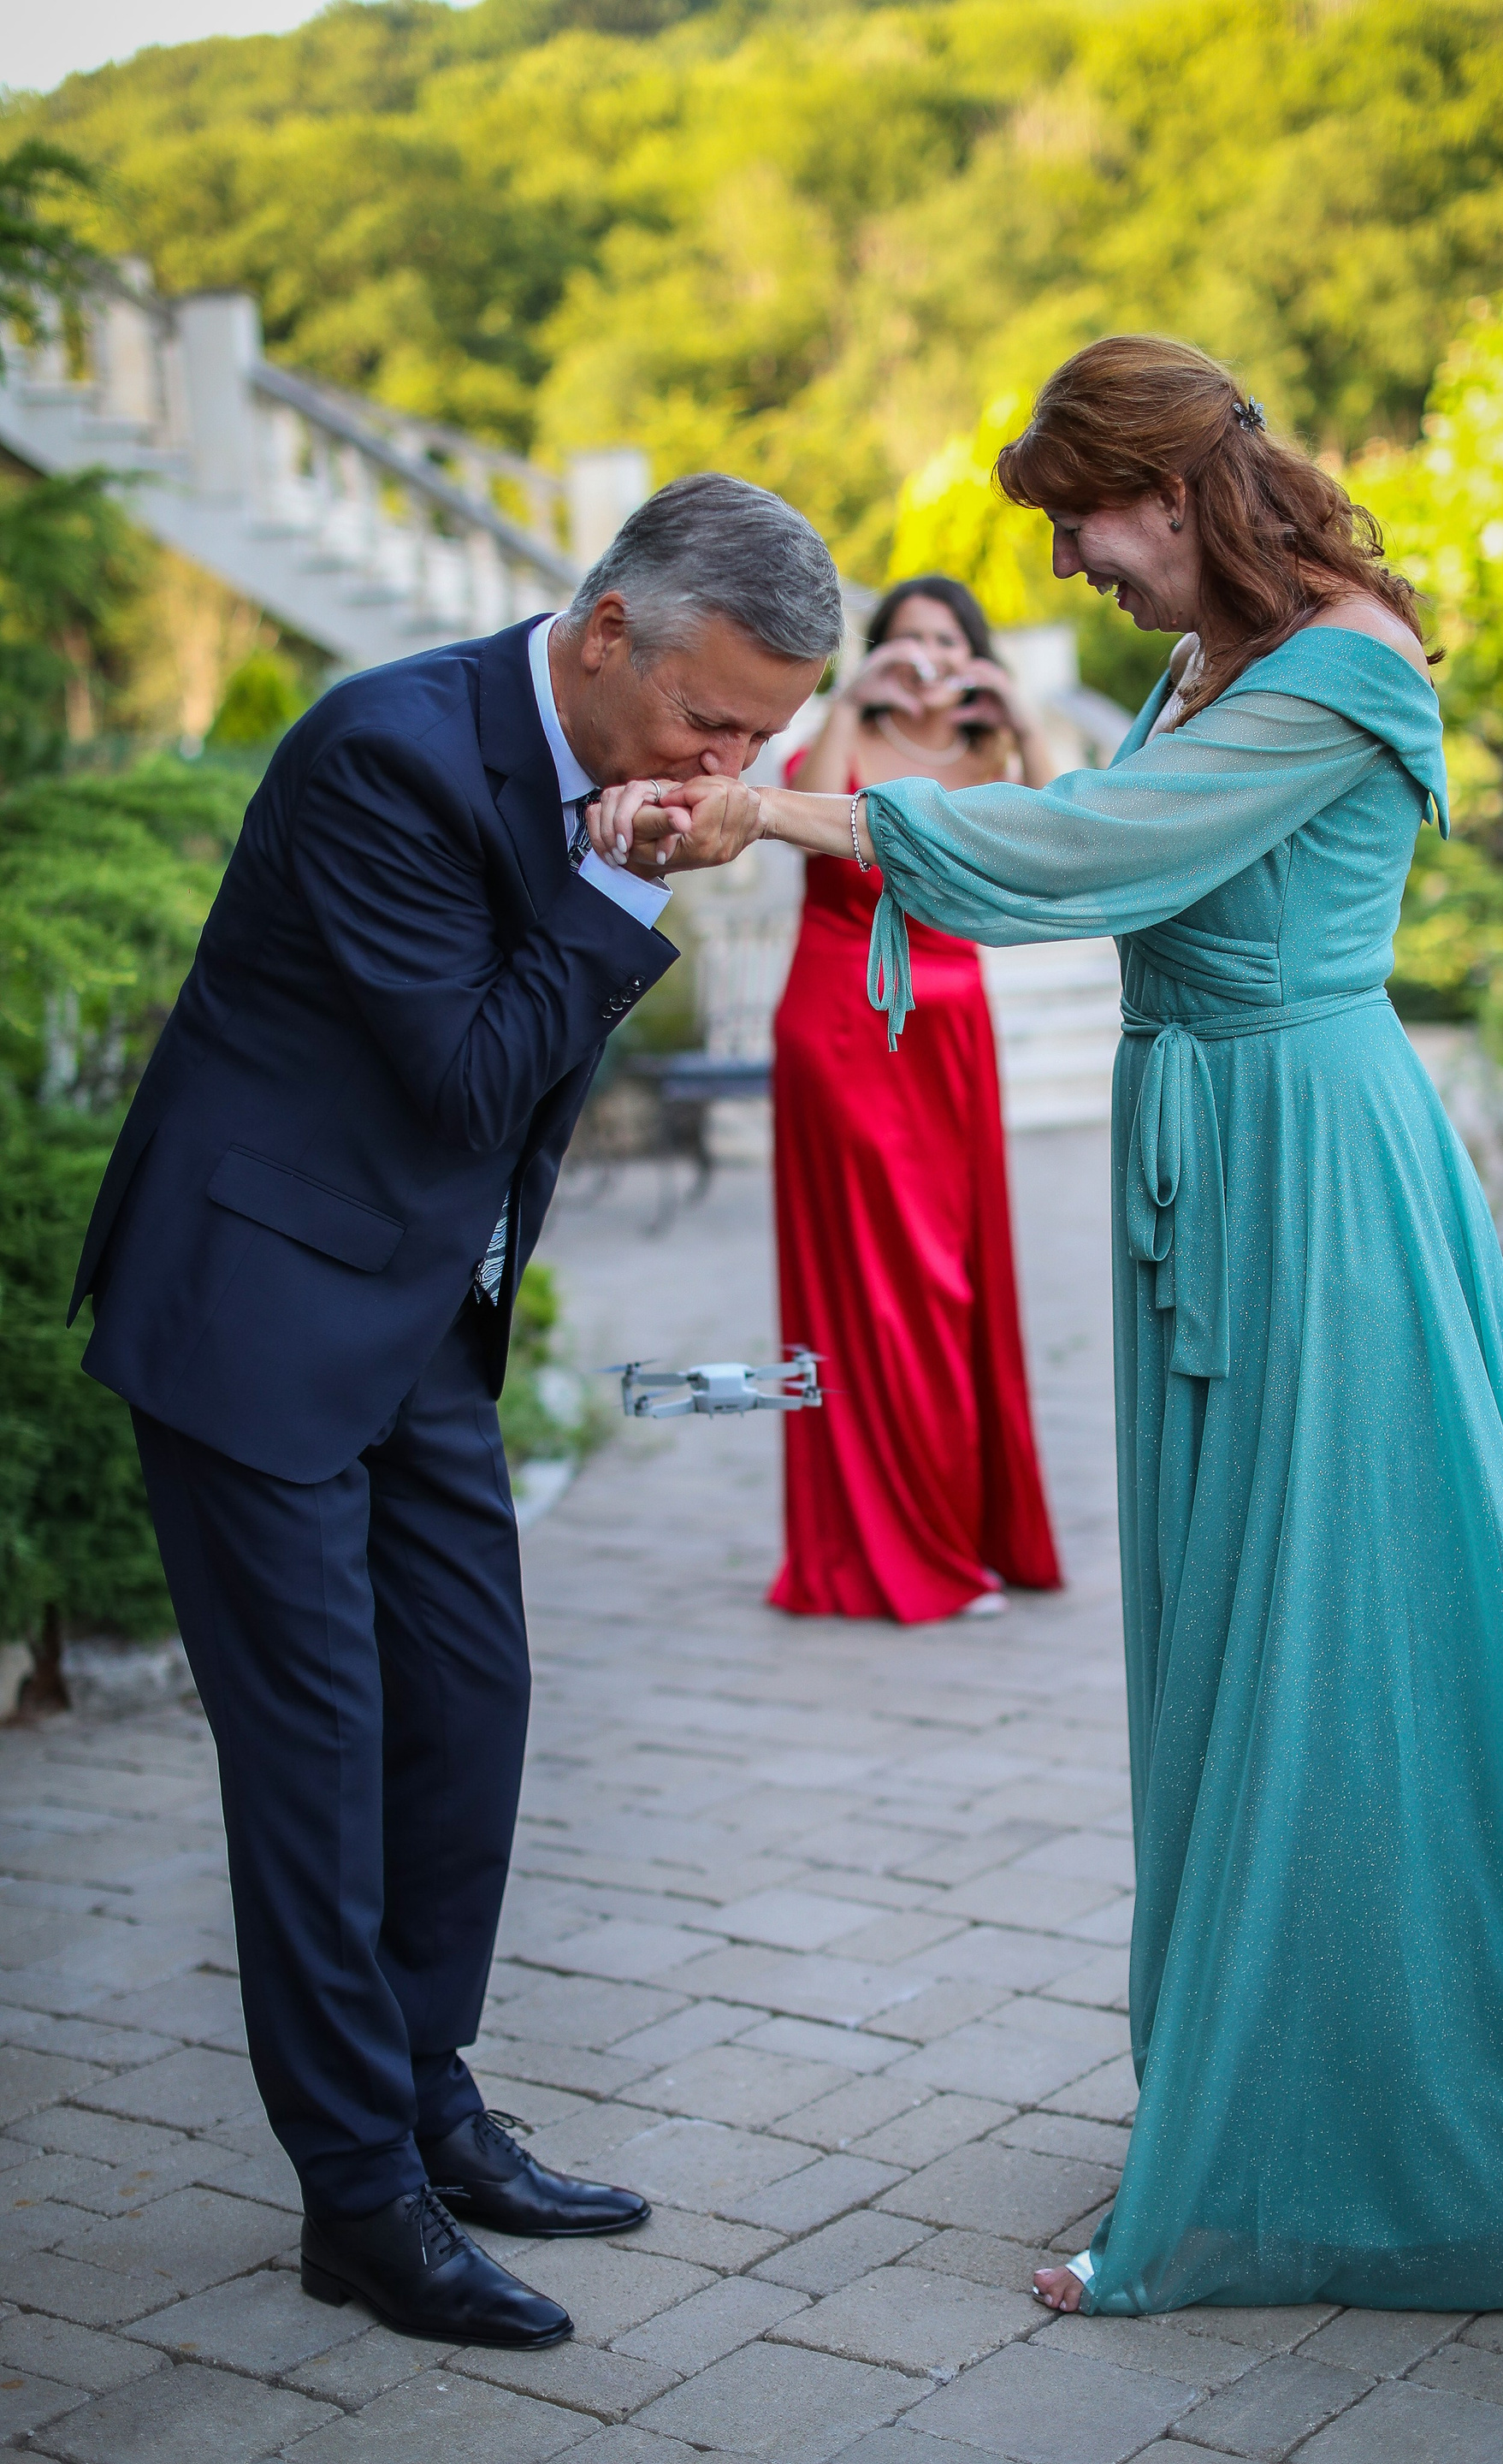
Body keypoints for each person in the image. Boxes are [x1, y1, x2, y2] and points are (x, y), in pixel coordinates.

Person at [590, 340, 1503, 2316]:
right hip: (1213, 1161)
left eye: (1078, 520)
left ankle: (1381, 2130)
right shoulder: (1213, 659)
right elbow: (1092, 825)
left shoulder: (1342, 667)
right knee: (1227, 1638)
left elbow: (1088, 856)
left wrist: (788, 819)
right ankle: (1263, 2092)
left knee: (1338, 1630)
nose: (1066, 564)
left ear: (1169, 489)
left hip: (1312, 1178)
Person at [68, 475, 838, 2349]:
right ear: (606, 633)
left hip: (418, 1309)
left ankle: (429, 2100)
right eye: (710, 722)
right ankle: (359, 2196)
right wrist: (623, 882)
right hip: (257, 1306)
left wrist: (626, 850)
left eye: (761, 740)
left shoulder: (613, 750)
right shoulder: (386, 757)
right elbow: (471, 1076)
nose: (730, 769)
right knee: (319, 1765)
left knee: (469, 1714)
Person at [769, 575, 1062, 1621]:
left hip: (950, 1041)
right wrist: (851, 697)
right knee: (882, 1288)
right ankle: (892, 1547)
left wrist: (1020, 714)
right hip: (842, 1025)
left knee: (956, 1284)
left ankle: (964, 1528)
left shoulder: (990, 757)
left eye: (947, 640)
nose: (927, 659)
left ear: (974, 655)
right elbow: (814, 826)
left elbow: (1069, 839)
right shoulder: (844, 736)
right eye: (906, 641)